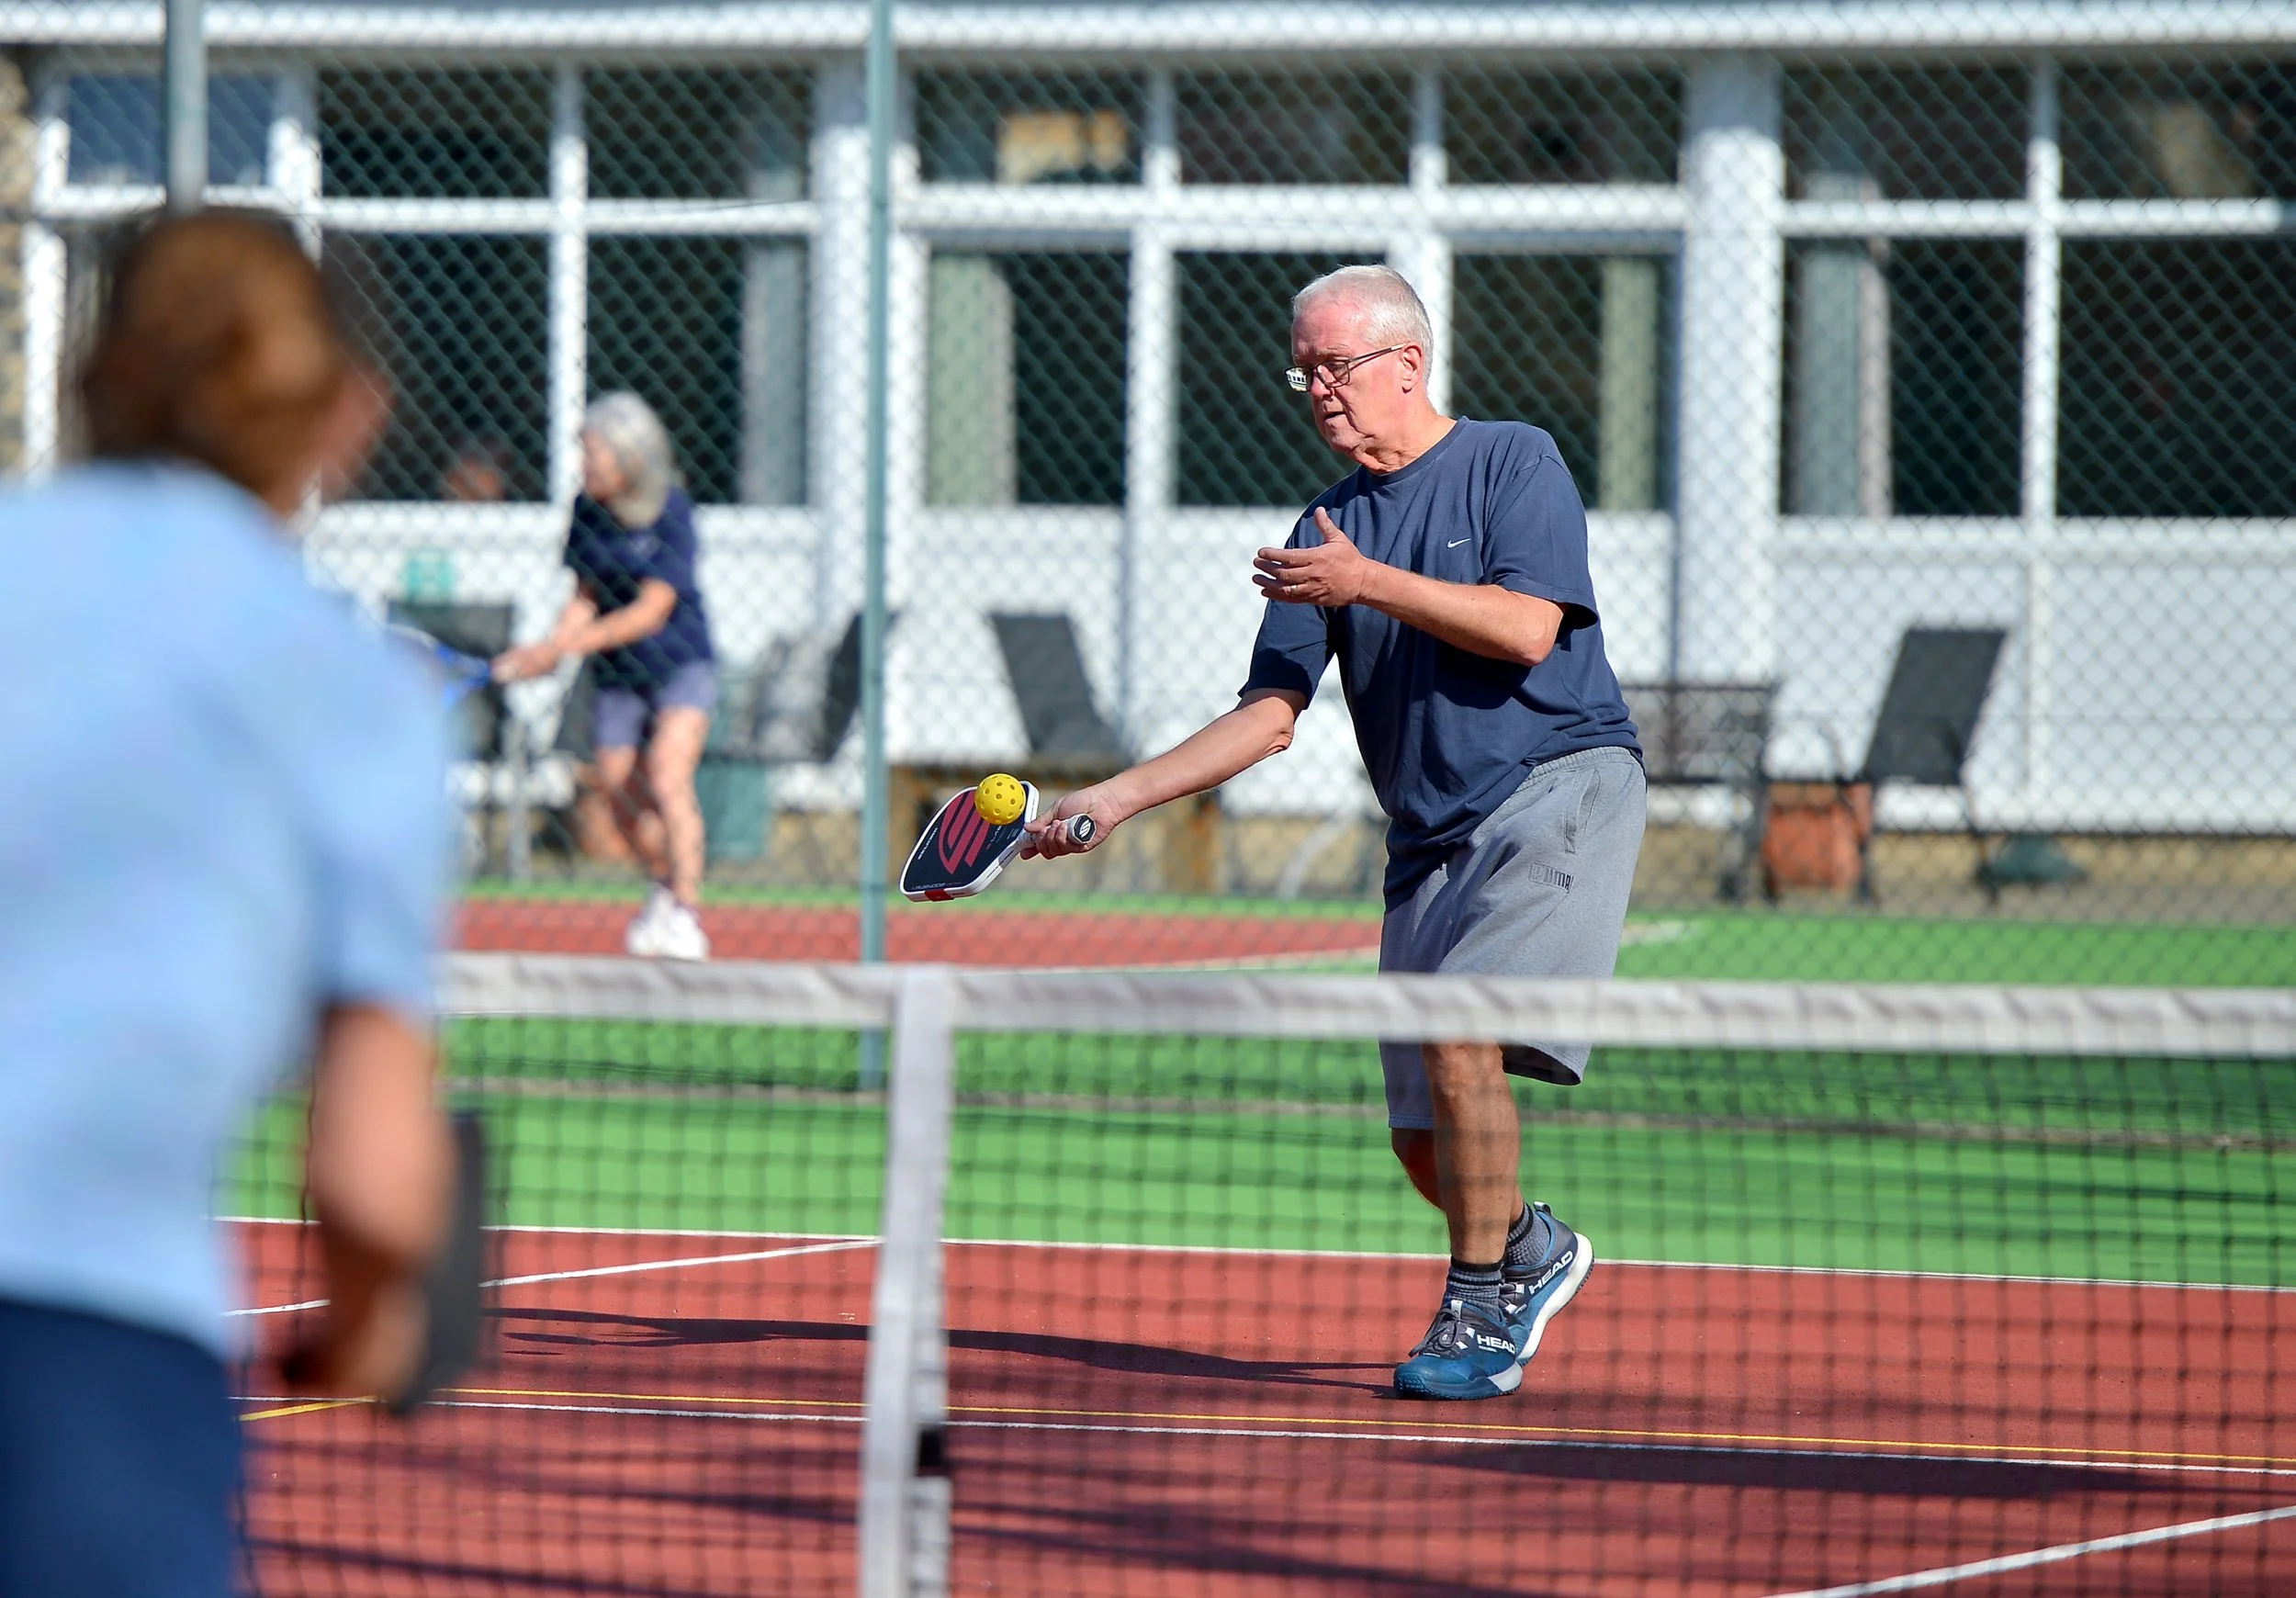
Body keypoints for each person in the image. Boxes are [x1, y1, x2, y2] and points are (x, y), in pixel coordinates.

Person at [1029, 265, 1646, 1401]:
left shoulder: (1515, 460)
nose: (1316, 387)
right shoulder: (1324, 529)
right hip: (1427, 836)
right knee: (1422, 1137)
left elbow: (1523, 629)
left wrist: (1367, 584)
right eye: (1302, 368)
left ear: (1406, 364)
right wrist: (1113, 799)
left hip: (1560, 785)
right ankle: (1525, 1247)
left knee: (1466, 1037)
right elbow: (1268, 718)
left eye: (1336, 364)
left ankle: (1479, 1310)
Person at [0, 212, 457, 1593]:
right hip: (86, 1388)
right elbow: (373, 1181)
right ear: (348, 416)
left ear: (93, 376)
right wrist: (377, 1329)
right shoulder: (354, 692)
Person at [494, 393, 716, 961]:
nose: (584, 466)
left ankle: (687, 912)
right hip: (619, 675)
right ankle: (663, 891)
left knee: (668, 776)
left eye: (593, 454)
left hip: (680, 664)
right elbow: (583, 599)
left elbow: (651, 610)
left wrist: (566, 646)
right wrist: (548, 649)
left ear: (631, 457)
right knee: (620, 796)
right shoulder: (587, 511)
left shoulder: (672, 511)